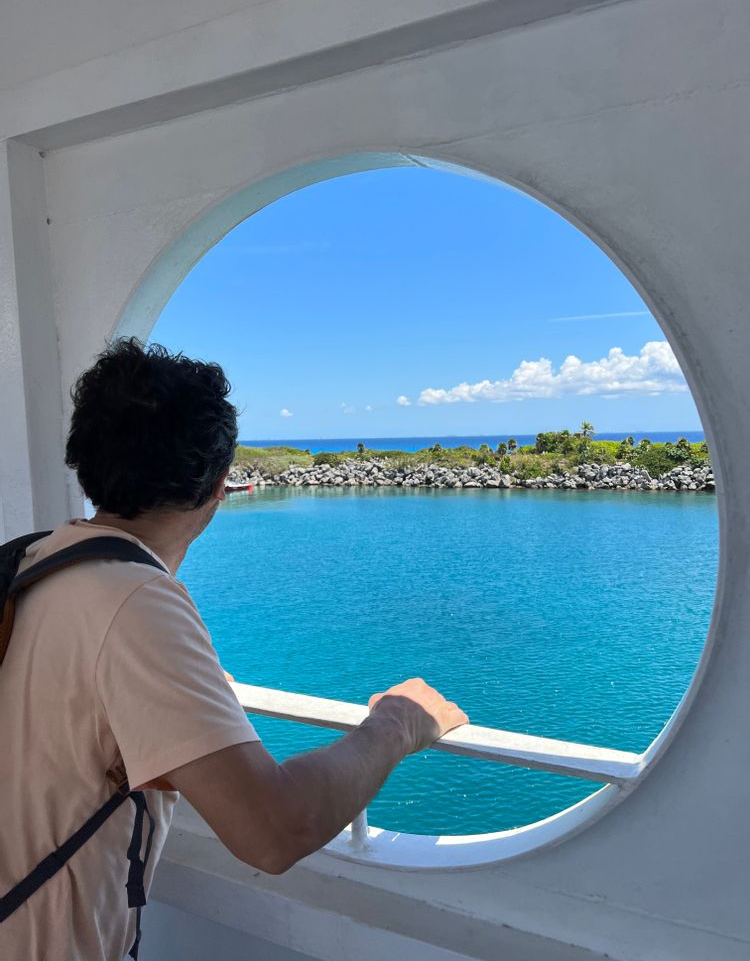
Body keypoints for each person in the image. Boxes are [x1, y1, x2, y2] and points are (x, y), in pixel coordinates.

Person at [0, 339, 468, 961]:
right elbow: (272, 831)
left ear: (83, 460)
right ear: (220, 485)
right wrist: (396, 724)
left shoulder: (29, 561)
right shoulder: (134, 599)